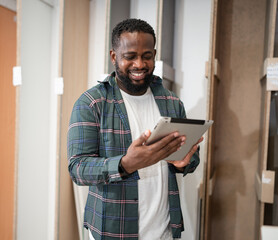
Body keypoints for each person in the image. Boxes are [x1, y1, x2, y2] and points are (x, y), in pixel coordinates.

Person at [68, 18, 203, 240]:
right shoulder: (92, 103)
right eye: (130, 56)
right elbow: (77, 168)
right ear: (114, 56)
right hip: (112, 231)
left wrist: (184, 163)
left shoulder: (172, 102)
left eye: (147, 56)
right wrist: (125, 164)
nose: (139, 64)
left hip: (164, 231)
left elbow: (190, 158)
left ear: (154, 54)